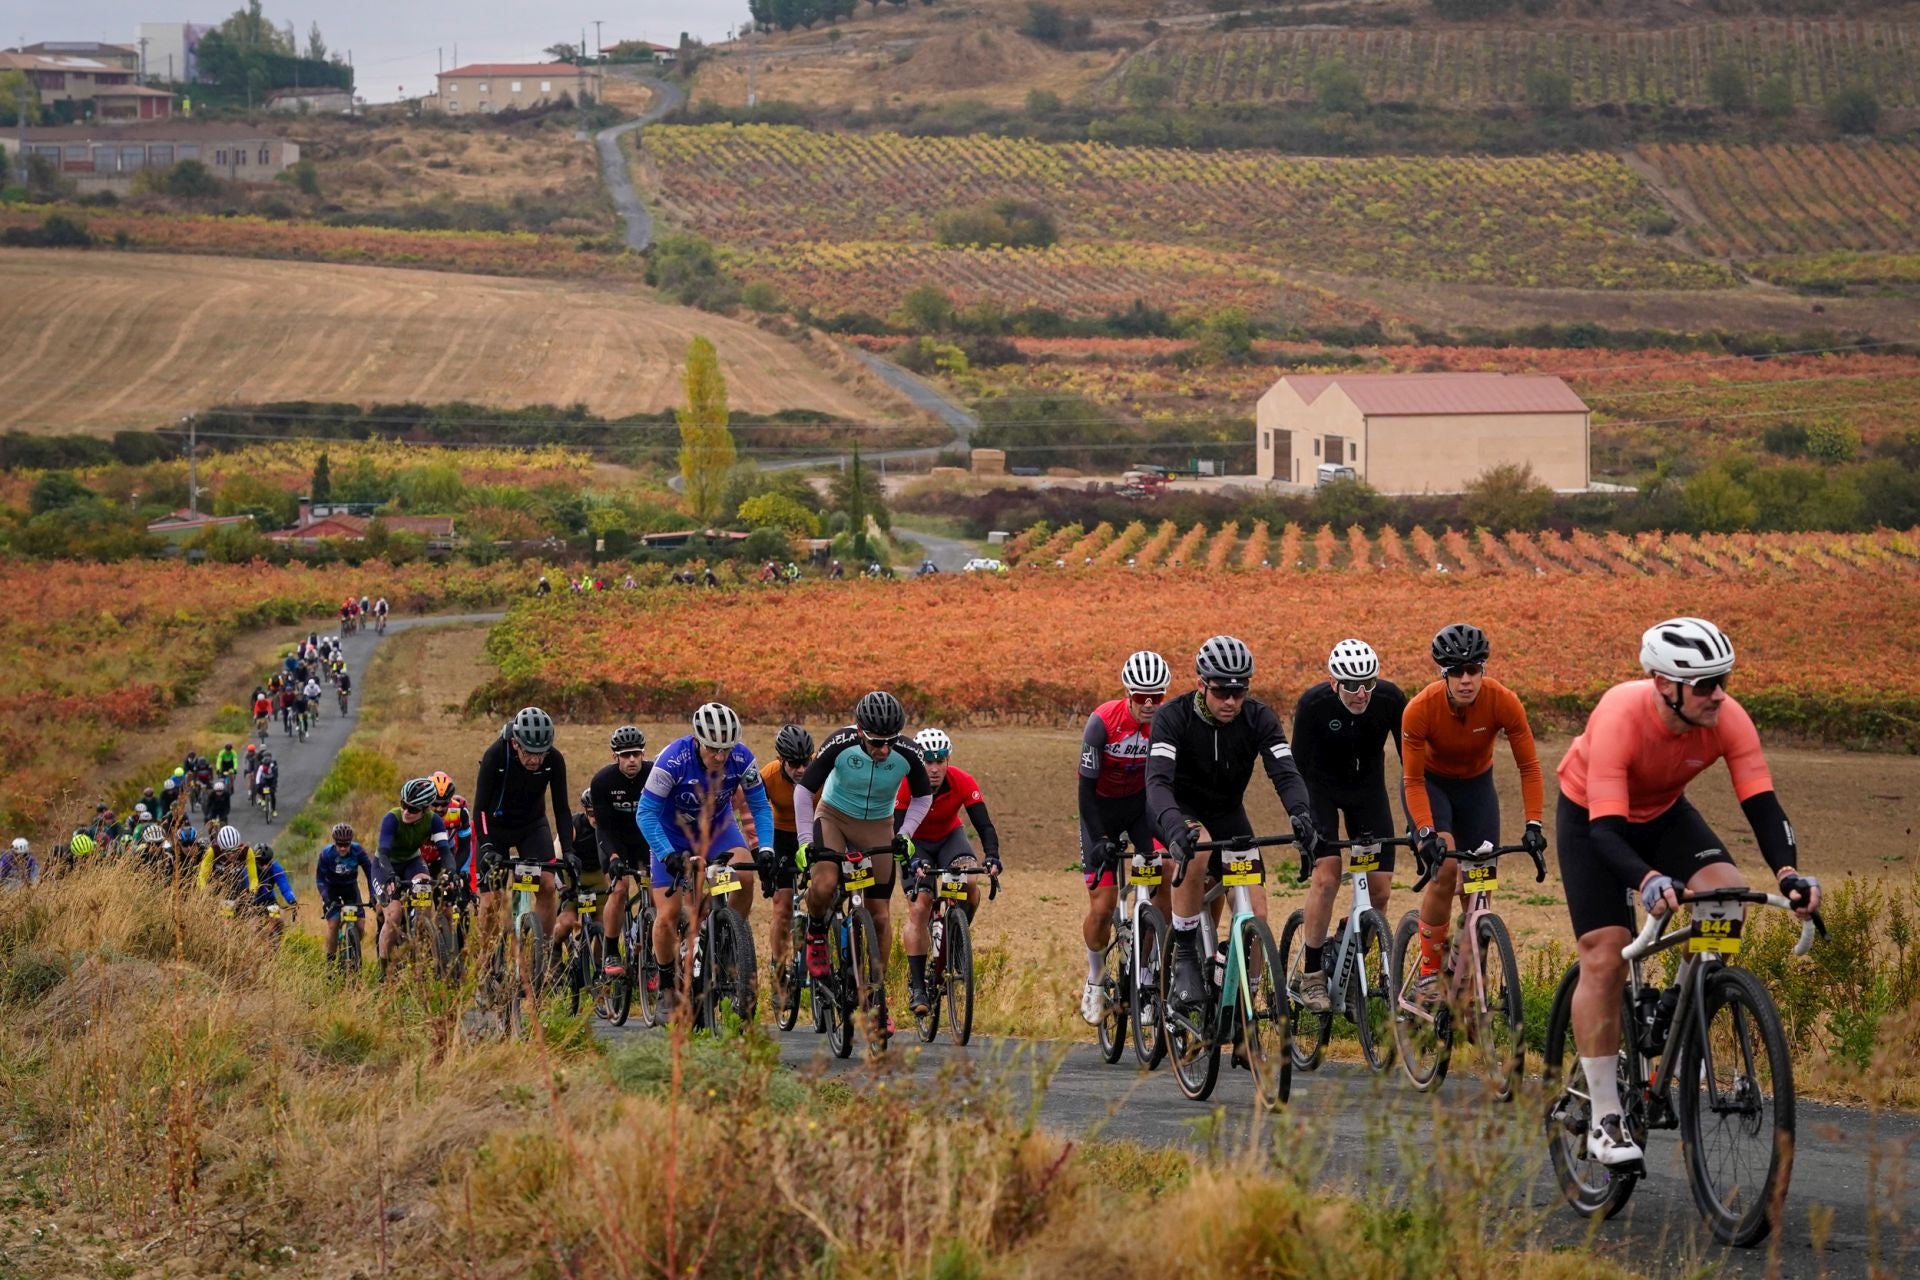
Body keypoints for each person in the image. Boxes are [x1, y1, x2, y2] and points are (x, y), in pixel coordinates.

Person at [1555, 618, 1819, 1166]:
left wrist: (1789, 875)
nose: (1718, 694)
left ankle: (1674, 1006)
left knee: (1727, 893)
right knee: (1605, 953)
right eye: (1704, 684)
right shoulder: (1619, 717)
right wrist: (1648, 879)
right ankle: (1605, 1116)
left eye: (1722, 679)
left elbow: (1762, 803)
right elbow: (1606, 832)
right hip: (1593, 820)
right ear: (1662, 684)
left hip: (1664, 814)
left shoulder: (1727, 717)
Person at [1146, 635, 1318, 1009]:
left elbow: (1285, 773)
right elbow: (1157, 782)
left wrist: (1301, 814)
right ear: (1201, 684)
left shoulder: (1259, 717)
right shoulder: (1172, 717)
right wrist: (1175, 827)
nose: (1230, 701)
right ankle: (1186, 958)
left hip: (1228, 813)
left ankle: (1245, 1001)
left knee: (1256, 910)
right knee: (1196, 853)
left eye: (1239, 693)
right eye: (1222, 692)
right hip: (1179, 808)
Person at [1402, 623, 1546, 1004]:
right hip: (1432, 789)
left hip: (1477, 790)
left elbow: (1529, 767)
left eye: (1473, 670)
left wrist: (1533, 823)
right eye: (1456, 672)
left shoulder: (1503, 701)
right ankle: (1430, 973)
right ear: (1443, 675)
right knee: (1447, 869)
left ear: (1483, 669)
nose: (1466, 680)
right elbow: (1412, 780)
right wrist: (1425, 831)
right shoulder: (1420, 709)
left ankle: (1468, 977)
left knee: (1480, 887)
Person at [1288, 638, 1409, 1013]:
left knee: (1381, 891)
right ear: (1333, 682)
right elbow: (1295, 767)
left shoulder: (1390, 699)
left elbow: (1411, 762)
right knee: (1327, 876)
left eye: (1368, 683)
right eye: (1352, 685)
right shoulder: (1312, 705)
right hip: (1320, 789)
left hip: (1367, 791)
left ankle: (1347, 950)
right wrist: (1303, 822)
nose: (1362, 693)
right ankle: (1310, 975)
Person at [794, 691, 933, 1011]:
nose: (884, 750)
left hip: (878, 825)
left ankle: (875, 998)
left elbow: (923, 798)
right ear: (859, 733)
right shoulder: (840, 743)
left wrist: (905, 834)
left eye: (891, 741)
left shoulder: (908, 752)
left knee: (880, 915)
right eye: (875, 742)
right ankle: (815, 932)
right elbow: (804, 792)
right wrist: (804, 843)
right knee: (825, 883)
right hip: (834, 818)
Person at [635, 704, 775, 1008]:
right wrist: (666, 854)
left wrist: (766, 849)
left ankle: (728, 940)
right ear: (697, 741)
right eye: (714, 749)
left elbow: (761, 806)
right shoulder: (672, 760)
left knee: (744, 875)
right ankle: (665, 986)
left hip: (717, 829)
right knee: (668, 916)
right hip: (672, 834)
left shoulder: (743, 758)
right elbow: (645, 814)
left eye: (727, 748)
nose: (721, 756)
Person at [1075, 650, 1173, 1025]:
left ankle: (1147, 977)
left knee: (1166, 870)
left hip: (1141, 809)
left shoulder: (1165, 724)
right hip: (1100, 810)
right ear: (1128, 694)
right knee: (1103, 905)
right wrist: (1099, 837)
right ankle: (1096, 979)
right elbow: (1085, 792)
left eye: (1157, 697)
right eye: (1141, 697)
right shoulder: (1102, 723)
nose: (1149, 705)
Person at [896, 728, 1001, 1016]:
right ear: (918, 761)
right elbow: (898, 831)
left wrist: (992, 856)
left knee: (969, 880)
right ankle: (918, 985)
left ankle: (956, 938)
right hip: (914, 842)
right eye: (927, 761)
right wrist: (912, 862)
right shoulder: (905, 784)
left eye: (939, 760)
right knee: (920, 907)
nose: (933, 768)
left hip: (949, 839)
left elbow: (984, 824)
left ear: (948, 759)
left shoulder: (962, 780)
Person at [472, 708, 571, 937]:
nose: (535, 759)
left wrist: (569, 850)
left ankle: (545, 955)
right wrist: (486, 846)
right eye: (529, 752)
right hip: (495, 829)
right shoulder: (495, 755)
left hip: (531, 826)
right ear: (516, 743)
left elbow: (562, 810)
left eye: (541, 753)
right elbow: (480, 810)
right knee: (491, 900)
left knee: (547, 884)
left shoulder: (554, 760)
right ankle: (487, 963)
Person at [588, 726, 653, 980]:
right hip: (615, 841)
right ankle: (612, 950)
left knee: (658, 895)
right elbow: (602, 827)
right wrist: (613, 857)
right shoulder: (602, 781)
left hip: (645, 840)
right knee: (619, 888)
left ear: (643, 753)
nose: (632, 760)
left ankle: (650, 951)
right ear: (615, 757)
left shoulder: (653, 774)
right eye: (625, 755)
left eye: (636, 754)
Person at [375, 778, 453, 972]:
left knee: (425, 901)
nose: (406, 812)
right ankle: (383, 972)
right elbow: (383, 852)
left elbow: (445, 851)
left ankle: (422, 951)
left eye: (412, 809)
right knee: (394, 916)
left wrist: (451, 873)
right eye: (404, 805)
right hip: (385, 864)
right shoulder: (391, 818)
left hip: (412, 862)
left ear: (425, 809)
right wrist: (391, 875)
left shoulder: (434, 820)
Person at [197, 825, 296, 931]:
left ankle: (272, 944)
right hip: (222, 891)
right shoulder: (212, 852)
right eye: (227, 852)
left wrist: (251, 893)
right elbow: (202, 876)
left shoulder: (246, 851)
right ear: (221, 848)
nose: (232, 855)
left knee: (266, 924)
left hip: (243, 891)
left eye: (235, 851)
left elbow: (253, 879)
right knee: (227, 926)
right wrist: (204, 892)